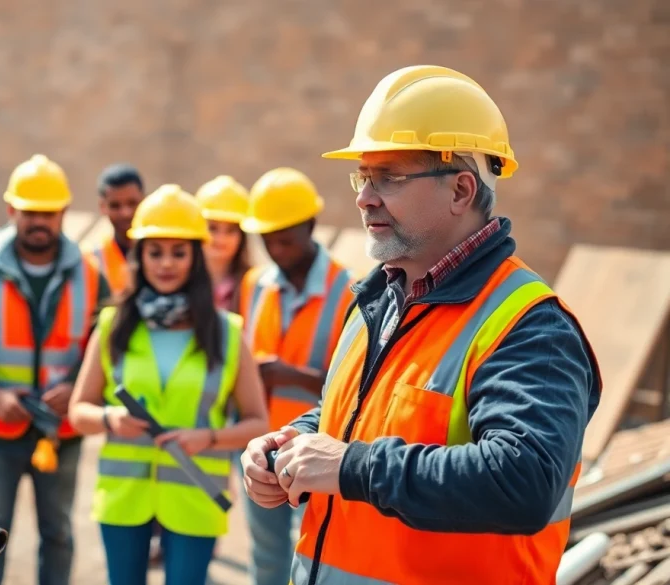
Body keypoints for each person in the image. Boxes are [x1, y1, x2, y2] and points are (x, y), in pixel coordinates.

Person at [241, 65, 602, 585]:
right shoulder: (378, 298)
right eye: (362, 177)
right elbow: (348, 417)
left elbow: (524, 481)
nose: (365, 197)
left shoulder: (530, 326)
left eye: (389, 177)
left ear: (460, 190)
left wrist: (349, 467)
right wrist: (288, 444)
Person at [68, 184, 269, 585]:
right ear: (139, 256)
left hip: (195, 497)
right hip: (124, 498)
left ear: (195, 258)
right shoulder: (113, 326)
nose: (166, 264)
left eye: (178, 252)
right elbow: (78, 412)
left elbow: (257, 422)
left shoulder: (228, 333)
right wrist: (110, 418)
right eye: (155, 252)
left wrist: (207, 437)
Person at [0, 153, 110, 585]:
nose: (39, 221)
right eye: (30, 212)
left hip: (59, 434)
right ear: (12, 211)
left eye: (48, 212)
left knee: (58, 534)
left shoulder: (90, 274)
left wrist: (77, 389)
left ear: (64, 213)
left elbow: (111, 349)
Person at [234, 166, 355, 585]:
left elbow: (355, 385)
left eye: (284, 239)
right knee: (266, 557)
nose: (275, 249)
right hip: (260, 449)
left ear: (310, 225)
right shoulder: (254, 284)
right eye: (267, 240)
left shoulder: (349, 292)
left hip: (314, 455)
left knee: (313, 557)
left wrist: (290, 374)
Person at [82, 163, 145, 299]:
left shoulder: (164, 255)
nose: (125, 213)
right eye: (115, 206)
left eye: (132, 203)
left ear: (144, 200)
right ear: (102, 206)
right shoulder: (91, 261)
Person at [195, 175, 254, 312]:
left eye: (231, 230)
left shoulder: (255, 285)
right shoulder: (180, 280)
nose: (221, 238)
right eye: (213, 228)